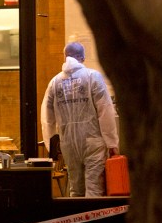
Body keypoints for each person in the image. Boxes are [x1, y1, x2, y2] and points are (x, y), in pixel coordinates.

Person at [40, 41, 119, 197]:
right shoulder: (92, 77)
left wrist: (51, 145)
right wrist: (112, 142)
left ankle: (78, 220)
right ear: (82, 57)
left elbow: (47, 118)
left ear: (64, 57)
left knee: (75, 189)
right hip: (93, 142)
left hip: (68, 143)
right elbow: (105, 111)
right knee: (94, 188)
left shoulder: (54, 83)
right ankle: (93, 221)